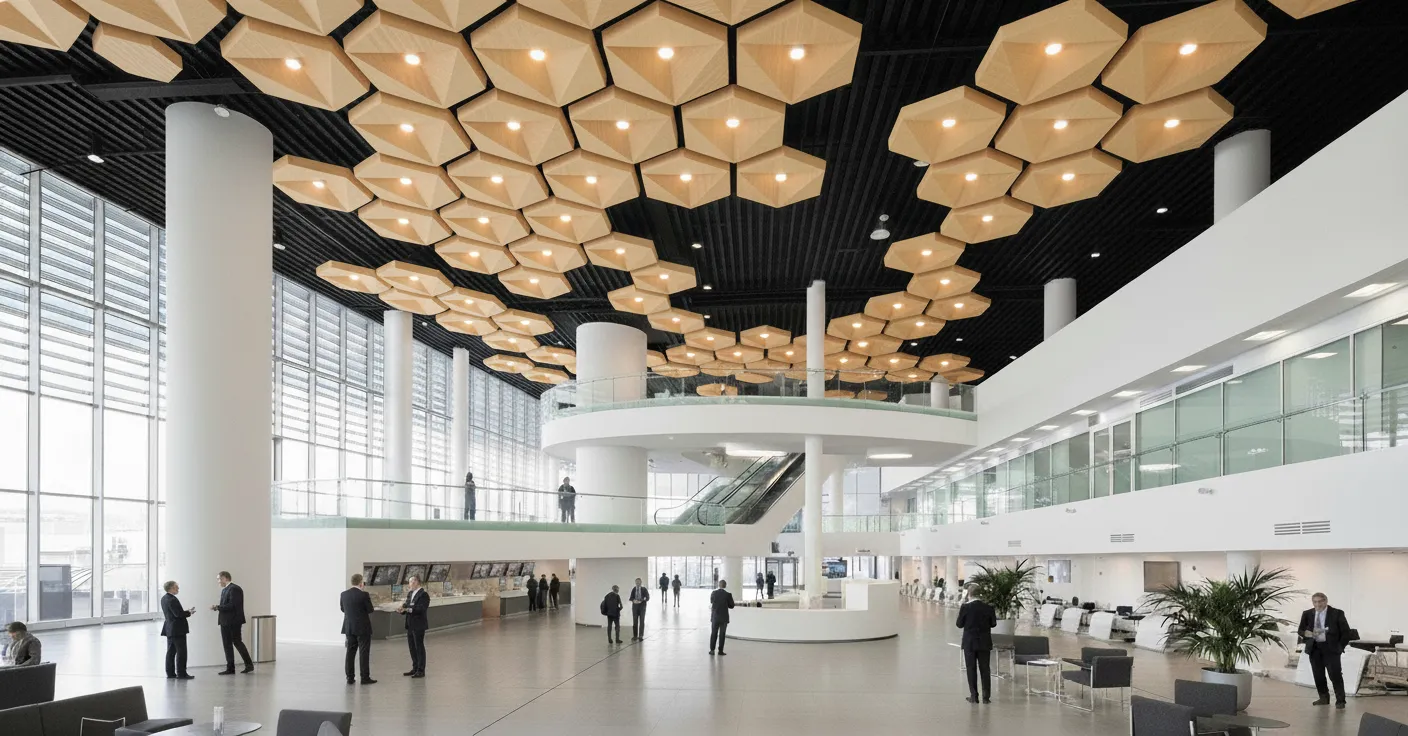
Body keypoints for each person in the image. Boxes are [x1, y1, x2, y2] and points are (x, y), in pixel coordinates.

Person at [1300, 592, 1352, 708]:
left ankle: (1340, 701)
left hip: (1331, 649)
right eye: (1315, 602)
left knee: (1335, 675)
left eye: (1320, 601)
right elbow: (1301, 630)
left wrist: (1340, 647)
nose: (1317, 604)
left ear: (1325, 601)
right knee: (1318, 675)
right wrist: (1306, 633)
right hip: (1314, 648)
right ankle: (1323, 698)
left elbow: (1346, 632)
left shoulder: (1337, 613)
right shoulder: (1307, 614)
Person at [956, 583, 997, 704]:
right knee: (985, 669)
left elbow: (959, 624)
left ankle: (974, 696)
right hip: (984, 642)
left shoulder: (965, 607)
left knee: (971, 668)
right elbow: (993, 623)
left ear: (969, 594)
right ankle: (986, 697)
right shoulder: (989, 607)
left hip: (969, 642)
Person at [211, 571, 253, 674]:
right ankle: (230, 668)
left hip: (233, 621)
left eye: (219, 579)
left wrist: (217, 607)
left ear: (225, 578)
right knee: (227, 644)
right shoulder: (225, 589)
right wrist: (218, 607)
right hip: (225, 621)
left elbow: (232, 605)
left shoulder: (234, 589)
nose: (218, 581)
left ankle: (248, 665)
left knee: (237, 642)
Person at [340, 573, 376, 685]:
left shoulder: (344, 594)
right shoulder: (364, 595)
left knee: (350, 652)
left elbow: (343, 609)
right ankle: (365, 677)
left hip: (349, 627)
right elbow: (370, 609)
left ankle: (350, 677)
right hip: (362, 627)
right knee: (364, 652)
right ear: (361, 583)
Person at [159, 580, 194, 679]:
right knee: (181, 652)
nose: (178, 589)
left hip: (169, 628)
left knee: (171, 652)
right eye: (176, 587)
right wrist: (189, 612)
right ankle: (181, 673)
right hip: (178, 629)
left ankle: (170, 673)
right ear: (171, 588)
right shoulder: (172, 599)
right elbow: (178, 614)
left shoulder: (164, 598)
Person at [398, 575, 429, 678]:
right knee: (412, 647)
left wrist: (408, 609)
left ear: (416, 582)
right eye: (409, 582)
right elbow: (407, 605)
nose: (409, 584)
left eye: (411, 582)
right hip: (410, 624)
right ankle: (415, 667)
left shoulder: (423, 595)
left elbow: (421, 609)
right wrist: (402, 610)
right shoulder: (410, 593)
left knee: (419, 647)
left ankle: (421, 670)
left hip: (418, 624)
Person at [709, 579, 735, 656]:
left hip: (715, 617)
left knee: (714, 633)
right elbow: (732, 606)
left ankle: (712, 650)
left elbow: (711, 601)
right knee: (722, 635)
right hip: (724, 618)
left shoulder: (714, 593)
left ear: (719, 585)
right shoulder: (728, 595)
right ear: (725, 586)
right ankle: (720, 651)